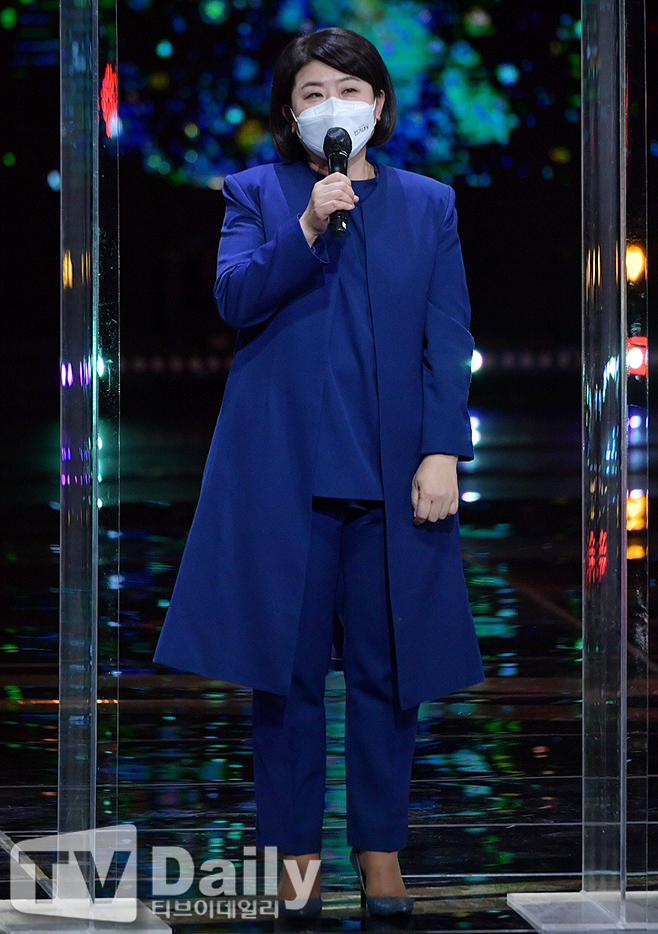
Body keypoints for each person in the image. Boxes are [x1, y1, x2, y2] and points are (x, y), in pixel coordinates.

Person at [154, 26, 484, 917]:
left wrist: (442, 450)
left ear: (378, 104)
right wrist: (306, 224)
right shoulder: (257, 192)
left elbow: (447, 338)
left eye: (348, 89)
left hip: (394, 480)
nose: (331, 104)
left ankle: (381, 856)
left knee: (390, 676)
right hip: (283, 479)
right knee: (285, 681)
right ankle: (294, 862)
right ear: (289, 111)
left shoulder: (428, 204)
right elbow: (234, 296)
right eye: (311, 93)